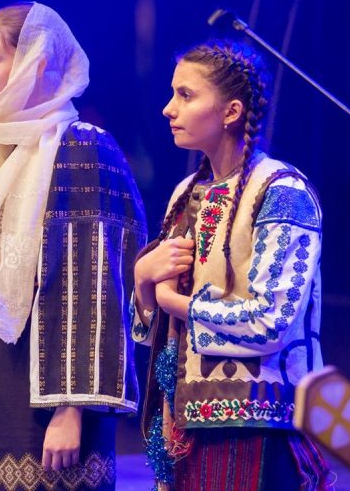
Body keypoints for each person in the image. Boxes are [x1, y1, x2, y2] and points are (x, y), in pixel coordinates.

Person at [0, 3, 146, 490]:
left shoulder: (81, 145)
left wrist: (72, 408)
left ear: (34, 64)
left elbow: (97, 283)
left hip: (45, 389)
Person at [131, 40, 329, 489]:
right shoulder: (187, 192)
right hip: (185, 420)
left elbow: (271, 320)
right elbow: (147, 333)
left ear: (231, 111)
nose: (168, 108)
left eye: (185, 95)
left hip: (260, 425)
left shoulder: (282, 192)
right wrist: (143, 281)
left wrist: (175, 303)